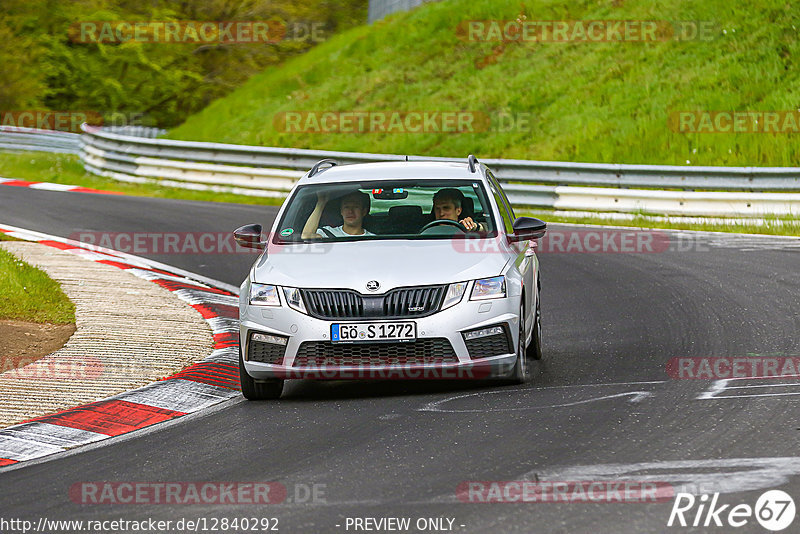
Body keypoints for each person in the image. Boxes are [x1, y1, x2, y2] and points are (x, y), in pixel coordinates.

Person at [301, 190, 375, 238]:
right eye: (346, 207)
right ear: (341, 211)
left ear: (364, 212)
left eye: (355, 207)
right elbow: (306, 236)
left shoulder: (373, 239)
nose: (350, 211)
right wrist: (321, 203)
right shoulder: (327, 233)